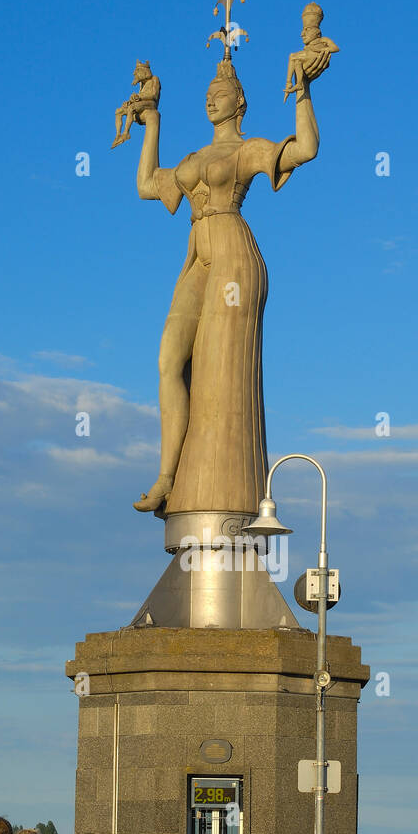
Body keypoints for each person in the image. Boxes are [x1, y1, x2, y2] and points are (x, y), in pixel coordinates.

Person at [131, 53, 326, 517]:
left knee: (220, 367)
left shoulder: (247, 149)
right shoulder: (194, 158)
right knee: (168, 360)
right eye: (206, 97)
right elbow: (145, 185)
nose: (209, 102)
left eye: (218, 96)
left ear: (239, 102)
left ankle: (209, 483)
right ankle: (167, 476)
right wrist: (152, 121)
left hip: (233, 250)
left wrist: (304, 91)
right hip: (197, 251)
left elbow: (306, 150)